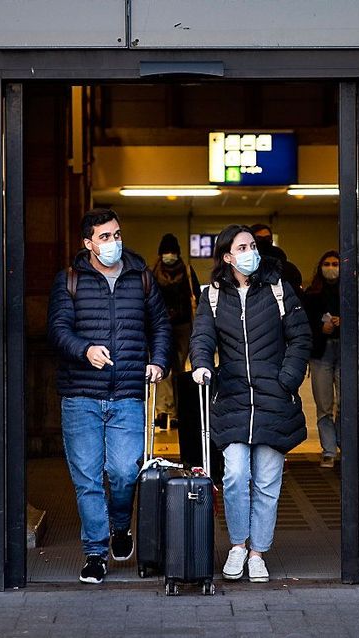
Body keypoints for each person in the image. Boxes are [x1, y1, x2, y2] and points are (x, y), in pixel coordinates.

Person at [47, 208, 171, 584]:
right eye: (104, 237)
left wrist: (160, 362)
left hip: (128, 393)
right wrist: (84, 349)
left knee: (123, 472)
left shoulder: (141, 278)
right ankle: (96, 553)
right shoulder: (69, 280)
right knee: (87, 478)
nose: (114, 242)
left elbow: (161, 325)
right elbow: (57, 328)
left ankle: (120, 526)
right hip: (80, 394)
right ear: (88, 244)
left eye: (116, 235)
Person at [189, 224, 311, 584]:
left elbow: (301, 336)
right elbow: (202, 336)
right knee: (236, 475)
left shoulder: (278, 289)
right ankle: (238, 545)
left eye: (253, 246)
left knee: (268, 481)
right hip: (233, 397)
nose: (250, 252)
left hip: (274, 399)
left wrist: (286, 379)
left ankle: (259, 552)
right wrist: (200, 364)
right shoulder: (211, 296)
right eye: (242, 247)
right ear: (227, 257)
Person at [151, 233, 201, 430]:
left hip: (182, 327)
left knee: (178, 368)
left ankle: (177, 411)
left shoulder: (187, 271)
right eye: (166, 252)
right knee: (163, 366)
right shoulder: (153, 272)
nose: (169, 255)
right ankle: (163, 410)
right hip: (160, 326)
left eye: (172, 252)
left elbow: (196, 296)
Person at [303, 250, 342, 467]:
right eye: (326, 263)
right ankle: (328, 449)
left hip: (345, 351)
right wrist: (321, 327)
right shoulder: (312, 294)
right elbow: (305, 324)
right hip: (321, 353)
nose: (331, 267)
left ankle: (344, 444)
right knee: (324, 404)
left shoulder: (350, 292)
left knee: (346, 402)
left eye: (335, 263)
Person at [250, 223, 303, 295]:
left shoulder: (287, 267)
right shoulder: (244, 266)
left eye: (267, 238)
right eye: (259, 238)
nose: (264, 241)